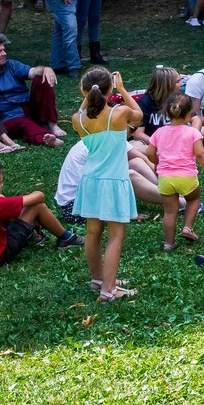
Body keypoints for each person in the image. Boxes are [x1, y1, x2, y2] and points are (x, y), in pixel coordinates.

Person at [71, 67, 143, 300]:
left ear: (84, 91)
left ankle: (99, 278)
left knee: (92, 233)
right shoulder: (119, 113)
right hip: (113, 181)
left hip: (90, 181)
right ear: (109, 90)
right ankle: (109, 289)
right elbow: (138, 114)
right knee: (115, 236)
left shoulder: (77, 120)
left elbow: (84, 108)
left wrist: (88, 94)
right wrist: (122, 89)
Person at [0, 161, 82, 270]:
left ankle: (32, 235)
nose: (2, 185)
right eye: (0, 182)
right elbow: (39, 196)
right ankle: (66, 238)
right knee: (37, 206)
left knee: (9, 212)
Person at [144, 94, 204, 252]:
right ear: (189, 114)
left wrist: (158, 162)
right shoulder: (192, 133)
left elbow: (149, 153)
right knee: (193, 199)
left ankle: (168, 243)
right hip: (187, 177)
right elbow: (201, 154)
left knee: (170, 211)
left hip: (165, 178)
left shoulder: (159, 132)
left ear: (167, 113)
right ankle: (187, 227)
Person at [0, 34, 64, 147]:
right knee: (22, 123)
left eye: (3, 50)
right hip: (5, 117)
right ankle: (45, 137)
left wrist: (46, 69)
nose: (4, 54)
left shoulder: (11, 65)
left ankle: (51, 124)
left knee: (41, 78)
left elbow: (33, 71)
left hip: (27, 108)